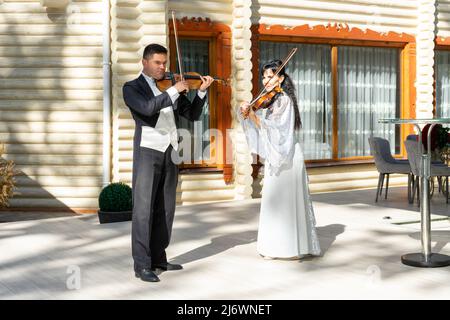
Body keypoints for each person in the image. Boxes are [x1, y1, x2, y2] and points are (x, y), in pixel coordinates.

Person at [122, 43, 214, 282]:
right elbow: (147, 108)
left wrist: (201, 92)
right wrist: (174, 91)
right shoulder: (132, 88)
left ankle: (159, 258)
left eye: (164, 63)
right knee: (143, 210)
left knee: (166, 207)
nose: (163, 67)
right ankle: (142, 265)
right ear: (144, 62)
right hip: (147, 152)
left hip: (170, 150)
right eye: (157, 63)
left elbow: (191, 115)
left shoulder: (170, 86)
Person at [238, 59, 321, 259]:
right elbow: (263, 127)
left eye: (271, 76)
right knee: (274, 200)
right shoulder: (269, 99)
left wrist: (252, 116)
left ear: (281, 78)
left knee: (287, 201)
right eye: (264, 76)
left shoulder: (283, 99)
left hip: (288, 156)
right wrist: (245, 112)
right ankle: (274, 247)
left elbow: (277, 129)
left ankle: (293, 248)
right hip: (277, 156)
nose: (266, 80)